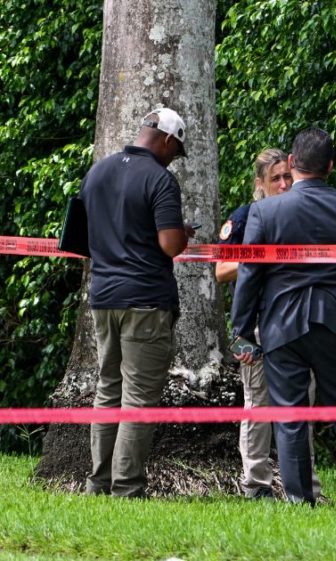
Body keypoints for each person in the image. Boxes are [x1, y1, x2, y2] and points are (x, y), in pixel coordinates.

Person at [230, 127, 336, 507]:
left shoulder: (265, 211)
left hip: (282, 325)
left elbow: (249, 274)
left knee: (290, 415)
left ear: (293, 163)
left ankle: (299, 499)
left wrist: (241, 330)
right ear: (331, 166)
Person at [81, 107, 195, 498]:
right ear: (165, 139)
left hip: (102, 298)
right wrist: (183, 233)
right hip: (145, 300)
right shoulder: (160, 181)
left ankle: (98, 483)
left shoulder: (97, 172)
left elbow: (80, 240)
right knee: (139, 397)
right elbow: (169, 244)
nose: (173, 158)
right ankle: (127, 488)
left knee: (107, 389)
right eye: (176, 150)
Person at [215, 148, 322, 501]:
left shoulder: (302, 213)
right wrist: (259, 262)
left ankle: (308, 486)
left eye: (287, 177)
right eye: (275, 178)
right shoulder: (245, 217)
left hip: (297, 323)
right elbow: (220, 270)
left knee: (302, 404)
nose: (283, 184)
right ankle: (256, 483)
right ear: (259, 182)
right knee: (258, 405)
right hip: (256, 325)